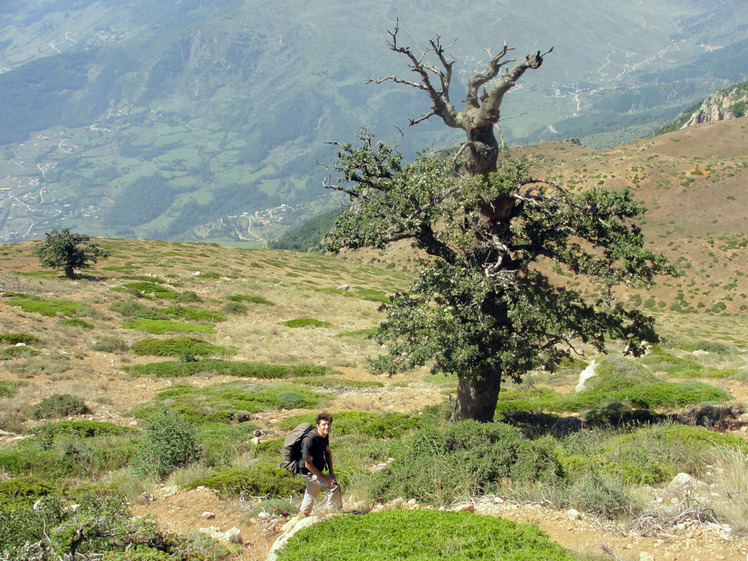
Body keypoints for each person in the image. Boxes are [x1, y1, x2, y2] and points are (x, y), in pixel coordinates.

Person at [298, 412, 343, 517]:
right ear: (318, 426)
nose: (327, 427)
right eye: (324, 424)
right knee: (334, 486)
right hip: (308, 471)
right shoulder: (309, 440)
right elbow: (308, 464)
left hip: (316, 469)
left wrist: (331, 472)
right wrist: (325, 478)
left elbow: (327, 452)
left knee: (313, 491)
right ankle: (333, 514)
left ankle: (303, 515)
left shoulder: (324, 435)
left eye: (328, 424)